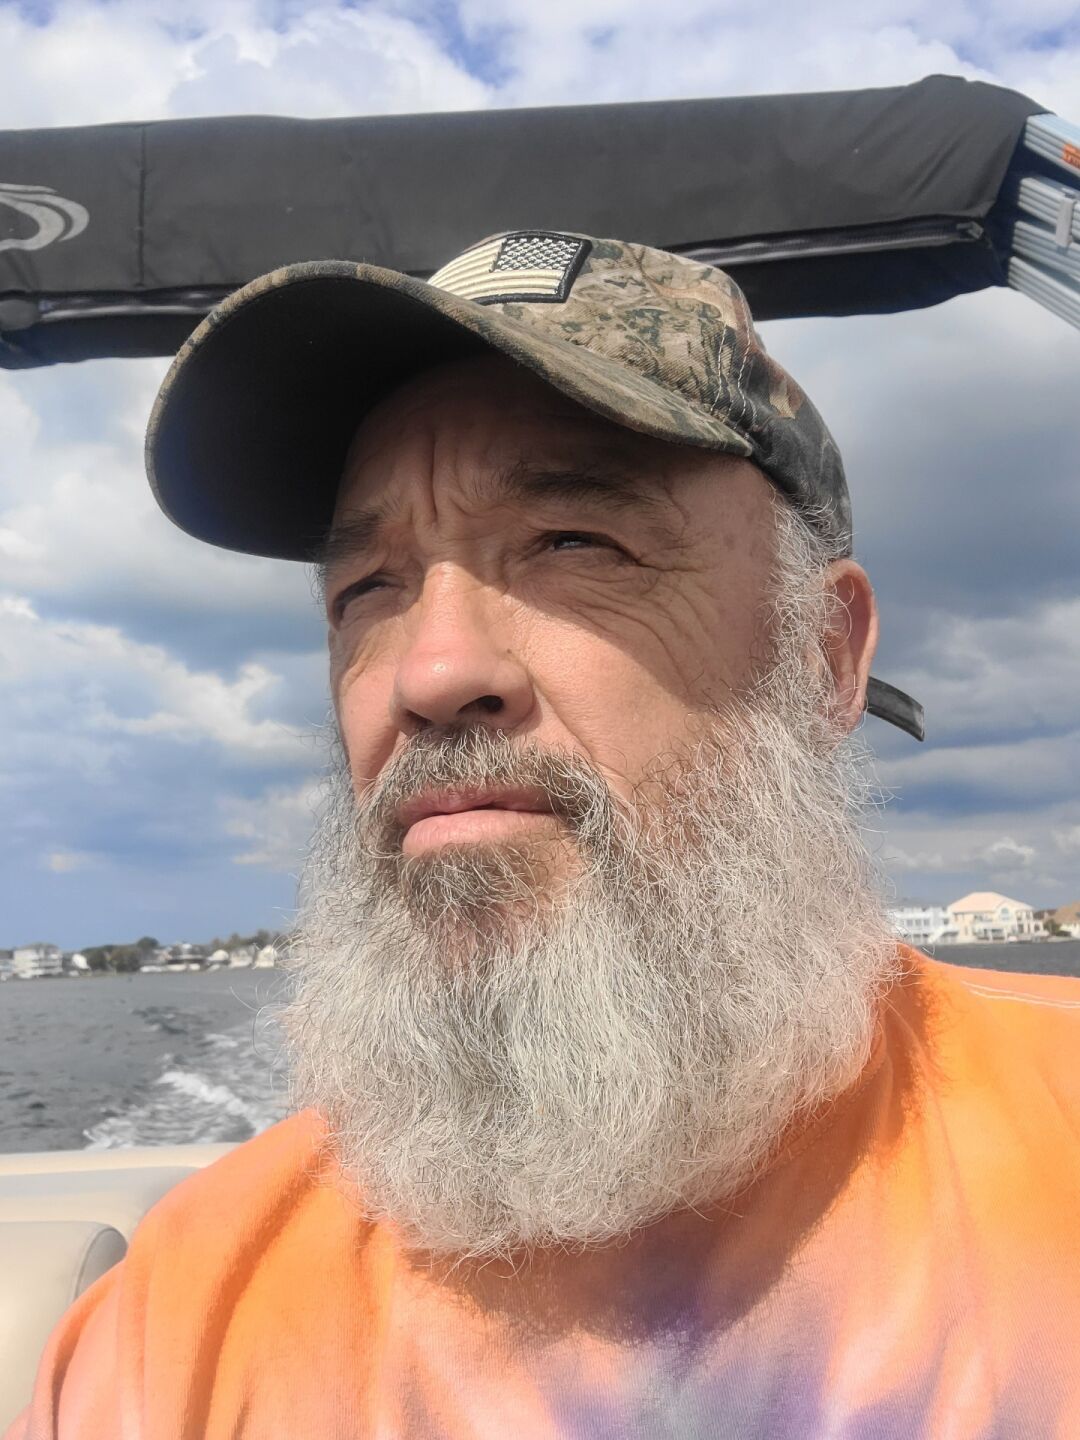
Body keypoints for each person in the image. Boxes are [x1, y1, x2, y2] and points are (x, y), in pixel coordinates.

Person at [10, 232, 1080, 1439]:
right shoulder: (179, 1325)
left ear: (822, 657)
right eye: (366, 589)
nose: (430, 672)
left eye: (575, 544)